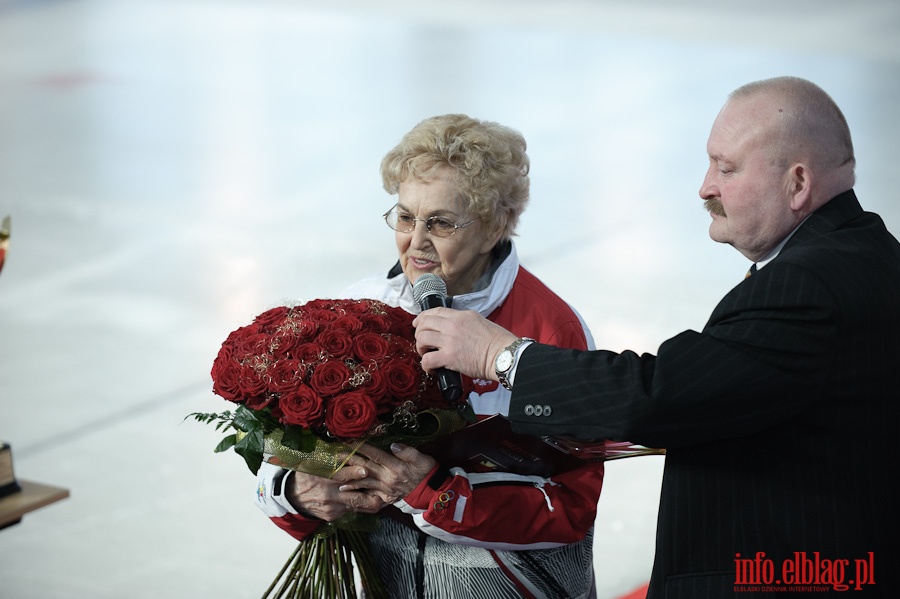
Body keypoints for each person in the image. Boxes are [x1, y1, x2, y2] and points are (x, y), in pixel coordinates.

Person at [412, 77, 900, 598]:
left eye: (726, 168)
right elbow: (738, 399)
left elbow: (663, 393)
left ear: (798, 183)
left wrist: (499, 356)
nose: (706, 187)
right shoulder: (866, 256)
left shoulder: (807, 285)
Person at [255, 114, 605, 598]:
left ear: (493, 228)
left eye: (439, 222)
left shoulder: (551, 330)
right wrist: (295, 492)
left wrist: (435, 493)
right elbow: (286, 449)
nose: (415, 241)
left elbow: (571, 507)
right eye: (405, 216)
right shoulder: (360, 309)